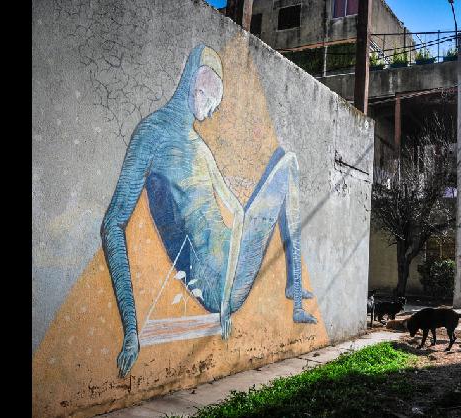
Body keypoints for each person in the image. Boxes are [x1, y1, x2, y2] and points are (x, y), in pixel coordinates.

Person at [101, 44, 317, 378]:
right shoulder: (152, 135)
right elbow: (112, 224)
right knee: (289, 163)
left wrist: (226, 308)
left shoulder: (200, 148)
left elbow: (239, 214)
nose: (214, 112)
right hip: (215, 283)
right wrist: (131, 329)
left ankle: (295, 291)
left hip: (230, 269)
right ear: (198, 89)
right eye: (213, 102)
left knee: (289, 163)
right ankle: (295, 292)